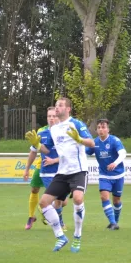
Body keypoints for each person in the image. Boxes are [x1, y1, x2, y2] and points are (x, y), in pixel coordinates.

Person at [26, 97, 94, 252]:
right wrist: (37, 144)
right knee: (43, 202)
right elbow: (47, 150)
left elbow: (92, 143)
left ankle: (77, 237)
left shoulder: (76, 124)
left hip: (78, 170)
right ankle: (60, 236)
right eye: (56, 105)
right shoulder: (53, 129)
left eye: (61, 105)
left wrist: (79, 139)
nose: (57, 108)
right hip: (62, 172)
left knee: (77, 198)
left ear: (68, 109)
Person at [23, 107, 67, 231]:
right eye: (49, 116)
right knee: (35, 189)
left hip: (63, 170)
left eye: (54, 116)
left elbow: (68, 154)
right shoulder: (41, 133)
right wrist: (26, 169)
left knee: (63, 202)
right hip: (44, 169)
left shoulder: (65, 132)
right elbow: (34, 151)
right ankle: (33, 216)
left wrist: (54, 160)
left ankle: (45, 208)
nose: (51, 118)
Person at [86, 118, 126, 230]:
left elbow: (123, 154)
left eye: (103, 127)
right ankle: (112, 222)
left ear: (108, 129)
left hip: (118, 175)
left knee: (116, 200)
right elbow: (85, 153)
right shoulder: (94, 143)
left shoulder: (114, 140)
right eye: (99, 127)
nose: (100, 130)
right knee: (104, 197)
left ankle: (115, 221)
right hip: (104, 175)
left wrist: (115, 163)